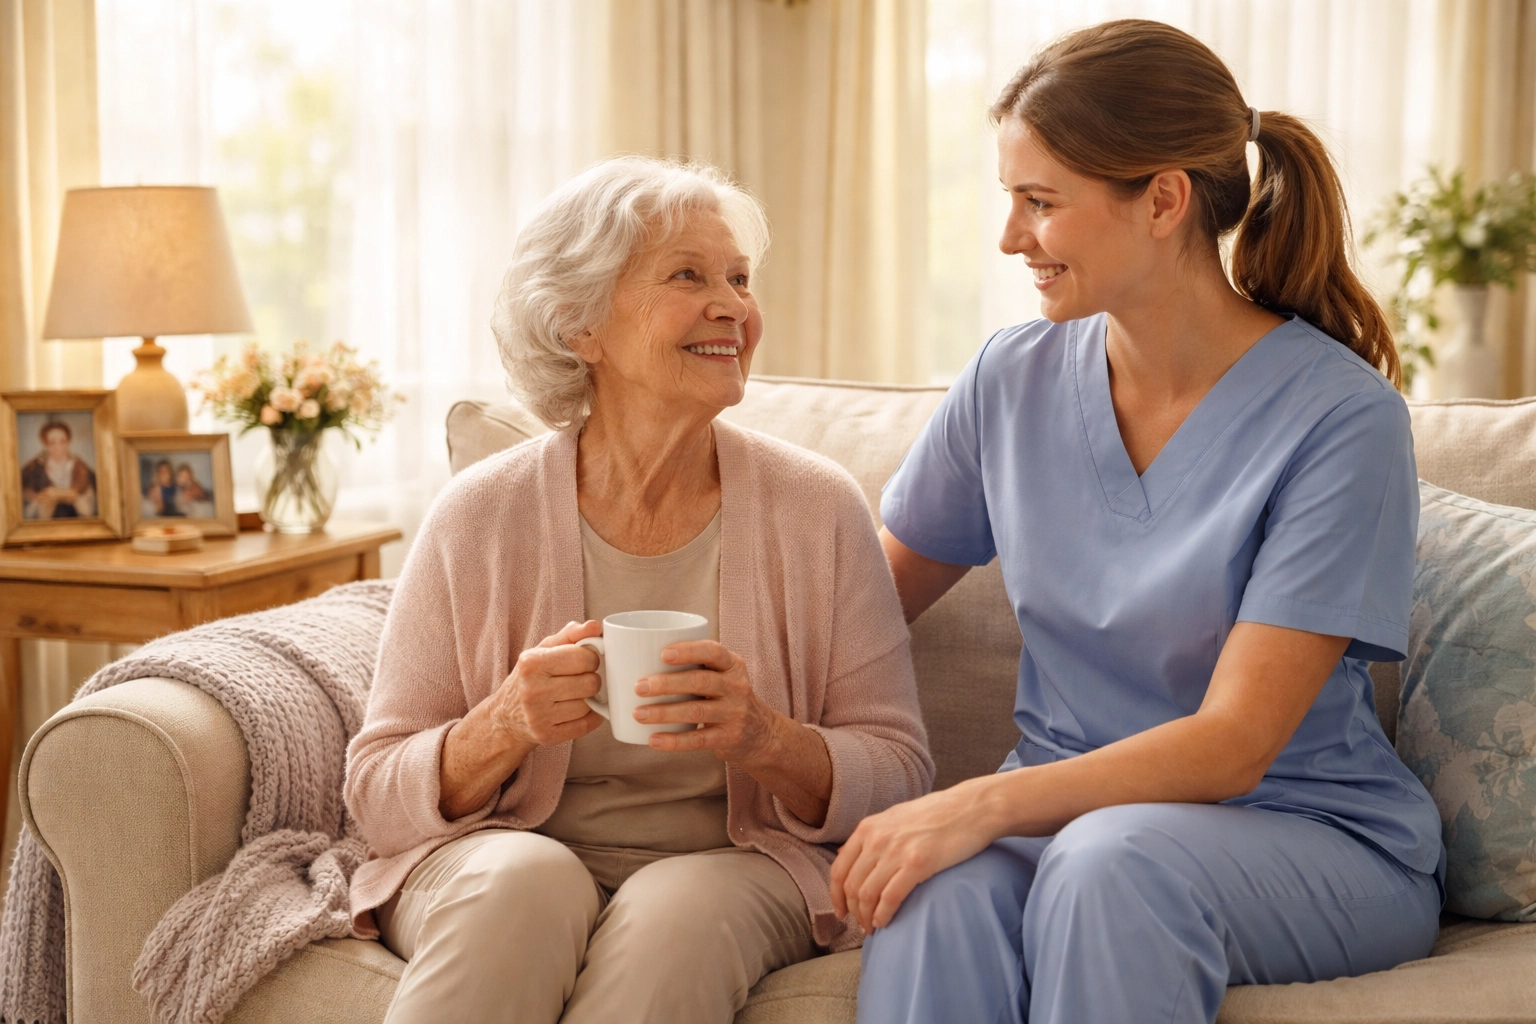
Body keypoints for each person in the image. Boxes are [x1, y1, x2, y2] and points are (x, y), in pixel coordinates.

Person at [835, 20, 1444, 1024]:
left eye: (1042, 203)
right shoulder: (1010, 380)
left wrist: (973, 801)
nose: (1010, 238)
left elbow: (1233, 744)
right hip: (1073, 824)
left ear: (1161, 199)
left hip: (1303, 832)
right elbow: (859, 608)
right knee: (932, 893)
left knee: (1108, 866)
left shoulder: (1342, 419)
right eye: (1010, 201)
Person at [345, 156, 933, 1024]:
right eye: (689, 276)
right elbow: (376, 792)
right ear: (581, 327)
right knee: (524, 882)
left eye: (739, 278)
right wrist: (505, 723)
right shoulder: (481, 515)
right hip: (510, 849)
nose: (732, 304)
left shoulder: (818, 508)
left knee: (676, 915)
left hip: (736, 863)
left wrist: (766, 737)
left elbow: (903, 776)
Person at [20, 420, 96, 519]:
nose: (58, 447)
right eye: (52, 443)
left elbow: (82, 488)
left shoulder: (78, 464)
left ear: (68, 442)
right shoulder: (36, 465)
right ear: (46, 445)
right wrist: (34, 495)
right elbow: (21, 485)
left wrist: (54, 493)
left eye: (62, 441)